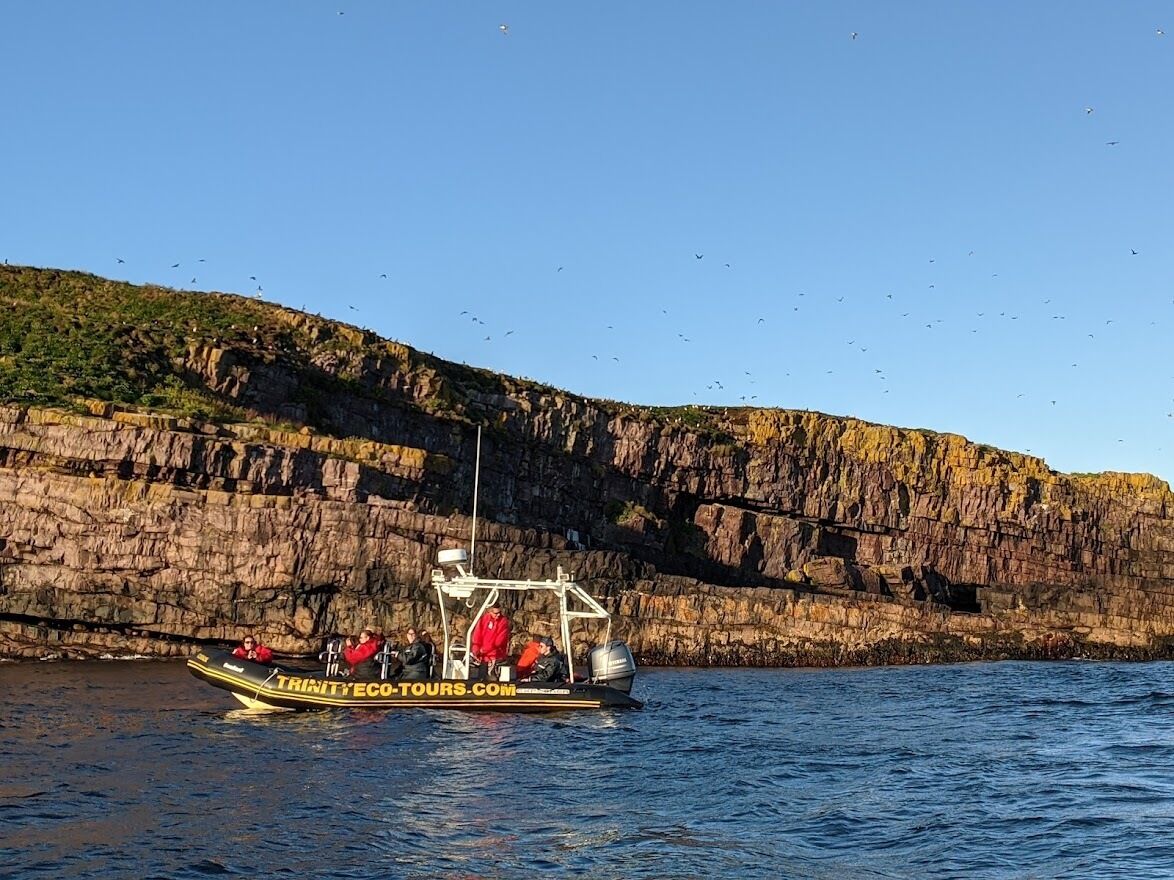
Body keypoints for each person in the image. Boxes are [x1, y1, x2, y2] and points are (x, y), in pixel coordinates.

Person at [469, 604, 511, 680]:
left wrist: (484, 650)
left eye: (499, 613)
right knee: (480, 678)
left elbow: (499, 641)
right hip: (483, 656)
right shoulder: (483, 619)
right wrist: (476, 649)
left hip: (495, 656)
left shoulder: (503, 622)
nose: (498, 615)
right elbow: (477, 635)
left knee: (492, 679)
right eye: (496, 613)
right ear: (490, 611)